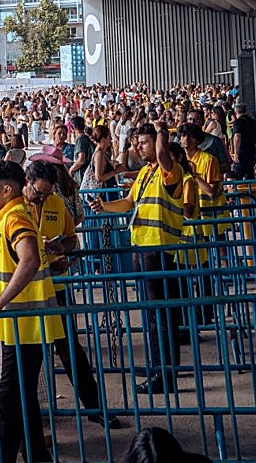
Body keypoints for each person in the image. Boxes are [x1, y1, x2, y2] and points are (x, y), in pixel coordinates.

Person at [0, 160, 63, 463]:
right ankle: (38, 456)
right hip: (20, 326)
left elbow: (29, 259)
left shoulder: (14, 217)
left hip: (24, 325)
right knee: (22, 400)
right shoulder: (10, 216)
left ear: (7, 189)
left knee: (9, 400)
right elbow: (17, 268)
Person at [24, 161, 120, 429]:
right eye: (39, 193)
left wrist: (61, 248)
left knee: (71, 351)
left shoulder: (56, 203)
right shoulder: (14, 207)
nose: (43, 198)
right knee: (28, 359)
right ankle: (29, 417)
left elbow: (71, 240)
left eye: (47, 193)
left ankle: (95, 407)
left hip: (56, 288)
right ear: (27, 183)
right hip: (26, 292)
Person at [95, 122, 184, 394]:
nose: (138, 147)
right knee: (153, 315)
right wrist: (104, 207)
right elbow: (130, 203)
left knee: (161, 316)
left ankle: (163, 375)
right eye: (137, 142)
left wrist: (161, 133)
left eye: (143, 142)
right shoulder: (145, 173)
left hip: (159, 250)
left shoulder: (171, 171)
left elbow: (162, 155)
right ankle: (159, 367)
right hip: (143, 248)